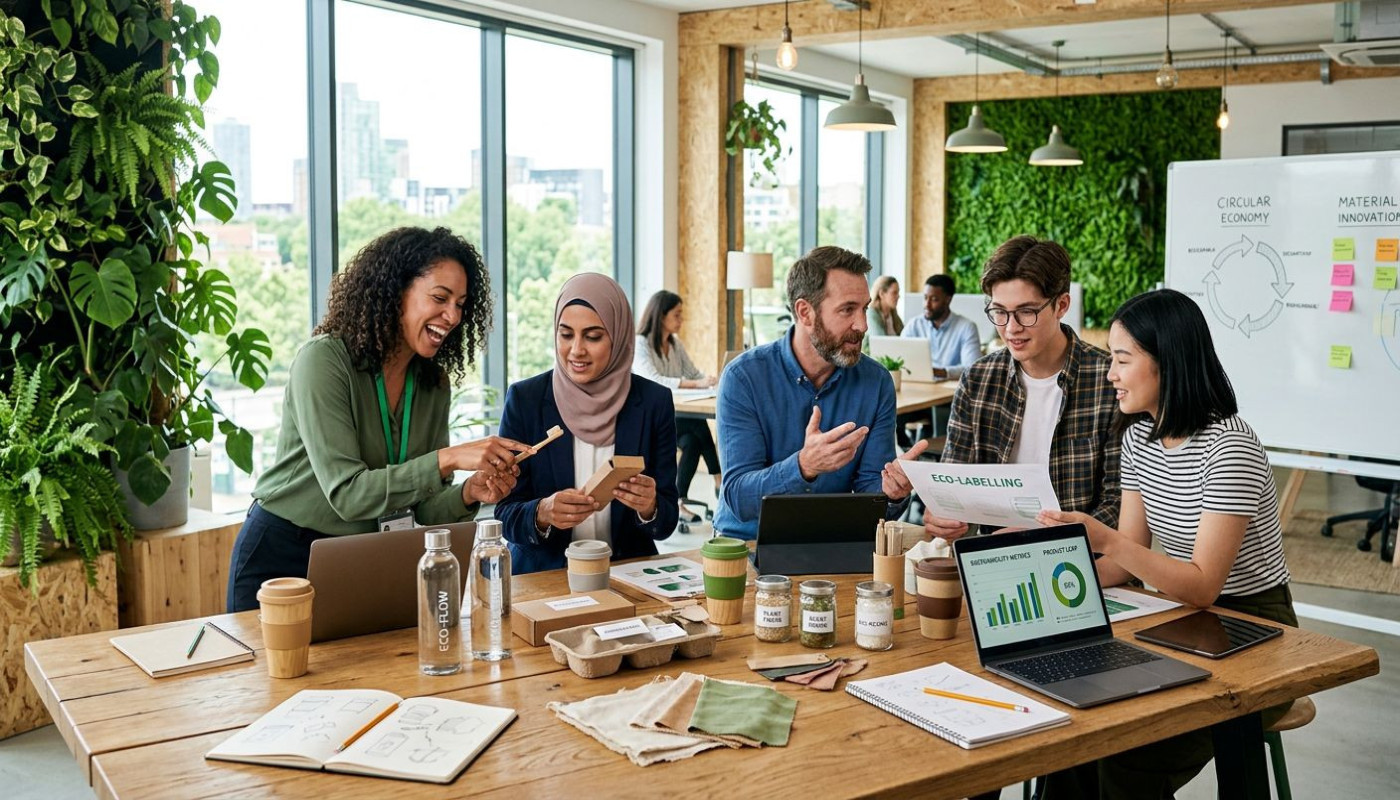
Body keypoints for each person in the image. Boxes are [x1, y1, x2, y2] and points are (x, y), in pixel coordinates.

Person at [1034, 288, 1294, 799]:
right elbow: (1123, 559)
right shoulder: (1139, 439)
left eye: (1122, 360)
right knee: (1074, 739)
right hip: (1178, 619)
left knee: (1129, 759)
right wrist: (1050, 573)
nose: (1110, 373)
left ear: (1167, 363)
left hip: (1254, 624)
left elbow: (1202, 586)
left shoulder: (1230, 446)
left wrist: (1103, 538)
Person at [227, 227, 525, 612]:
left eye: (461, 304)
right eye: (440, 298)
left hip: (361, 558)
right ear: (396, 290)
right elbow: (347, 495)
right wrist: (448, 458)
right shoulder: (324, 361)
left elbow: (425, 507)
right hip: (283, 555)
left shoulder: (433, 383)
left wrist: (470, 492)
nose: (452, 316)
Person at [905, 236, 1121, 543]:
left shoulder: (1110, 381)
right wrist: (946, 516)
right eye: (999, 312)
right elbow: (956, 489)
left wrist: (1040, 536)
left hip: (1087, 565)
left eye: (1026, 312)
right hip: (995, 561)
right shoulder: (978, 380)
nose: (1010, 328)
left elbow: (1119, 503)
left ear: (1061, 305)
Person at [714, 245, 926, 540]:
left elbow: (871, 497)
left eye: (864, 308)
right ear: (805, 312)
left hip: (833, 543)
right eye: (847, 309)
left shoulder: (876, 383)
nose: (862, 325)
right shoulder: (744, 377)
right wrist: (803, 466)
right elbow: (738, 498)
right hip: (748, 543)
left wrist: (891, 493)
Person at [495, 273, 679, 574]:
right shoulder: (525, 400)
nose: (576, 350)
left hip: (627, 574)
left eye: (593, 336)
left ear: (619, 337)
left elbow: (667, 520)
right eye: (566, 334)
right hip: (545, 575)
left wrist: (650, 507)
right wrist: (541, 513)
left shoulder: (653, 402)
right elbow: (504, 513)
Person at [634, 290, 721, 521]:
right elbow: (654, 381)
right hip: (650, 420)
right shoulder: (640, 344)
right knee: (697, 424)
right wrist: (696, 383)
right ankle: (719, 479)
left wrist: (709, 381)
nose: (681, 319)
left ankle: (678, 502)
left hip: (676, 418)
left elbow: (693, 372)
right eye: (677, 314)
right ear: (661, 316)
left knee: (692, 442)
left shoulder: (674, 344)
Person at [901, 274, 981, 380]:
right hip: (918, 384)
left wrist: (939, 372)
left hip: (950, 391)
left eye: (934, 299)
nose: (927, 305)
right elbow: (899, 357)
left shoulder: (967, 328)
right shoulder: (914, 325)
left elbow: (972, 369)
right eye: (925, 298)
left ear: (948, 300)